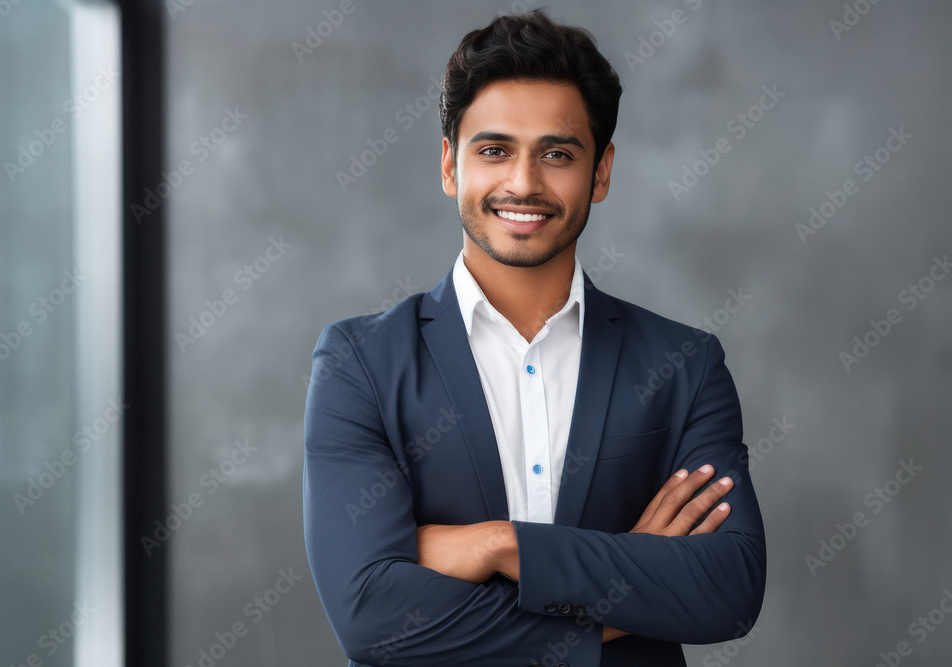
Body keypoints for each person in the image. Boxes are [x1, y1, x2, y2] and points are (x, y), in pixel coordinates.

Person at [304, 9, 765, 666]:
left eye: (557, 154)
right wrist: (625, 583)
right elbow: (372, 616)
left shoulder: (684, 365)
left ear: (601, 173)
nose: (523, 182)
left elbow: (729, 587)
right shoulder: (362, 364)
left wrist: (500, 546)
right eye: (494, 150)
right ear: (448, 165)